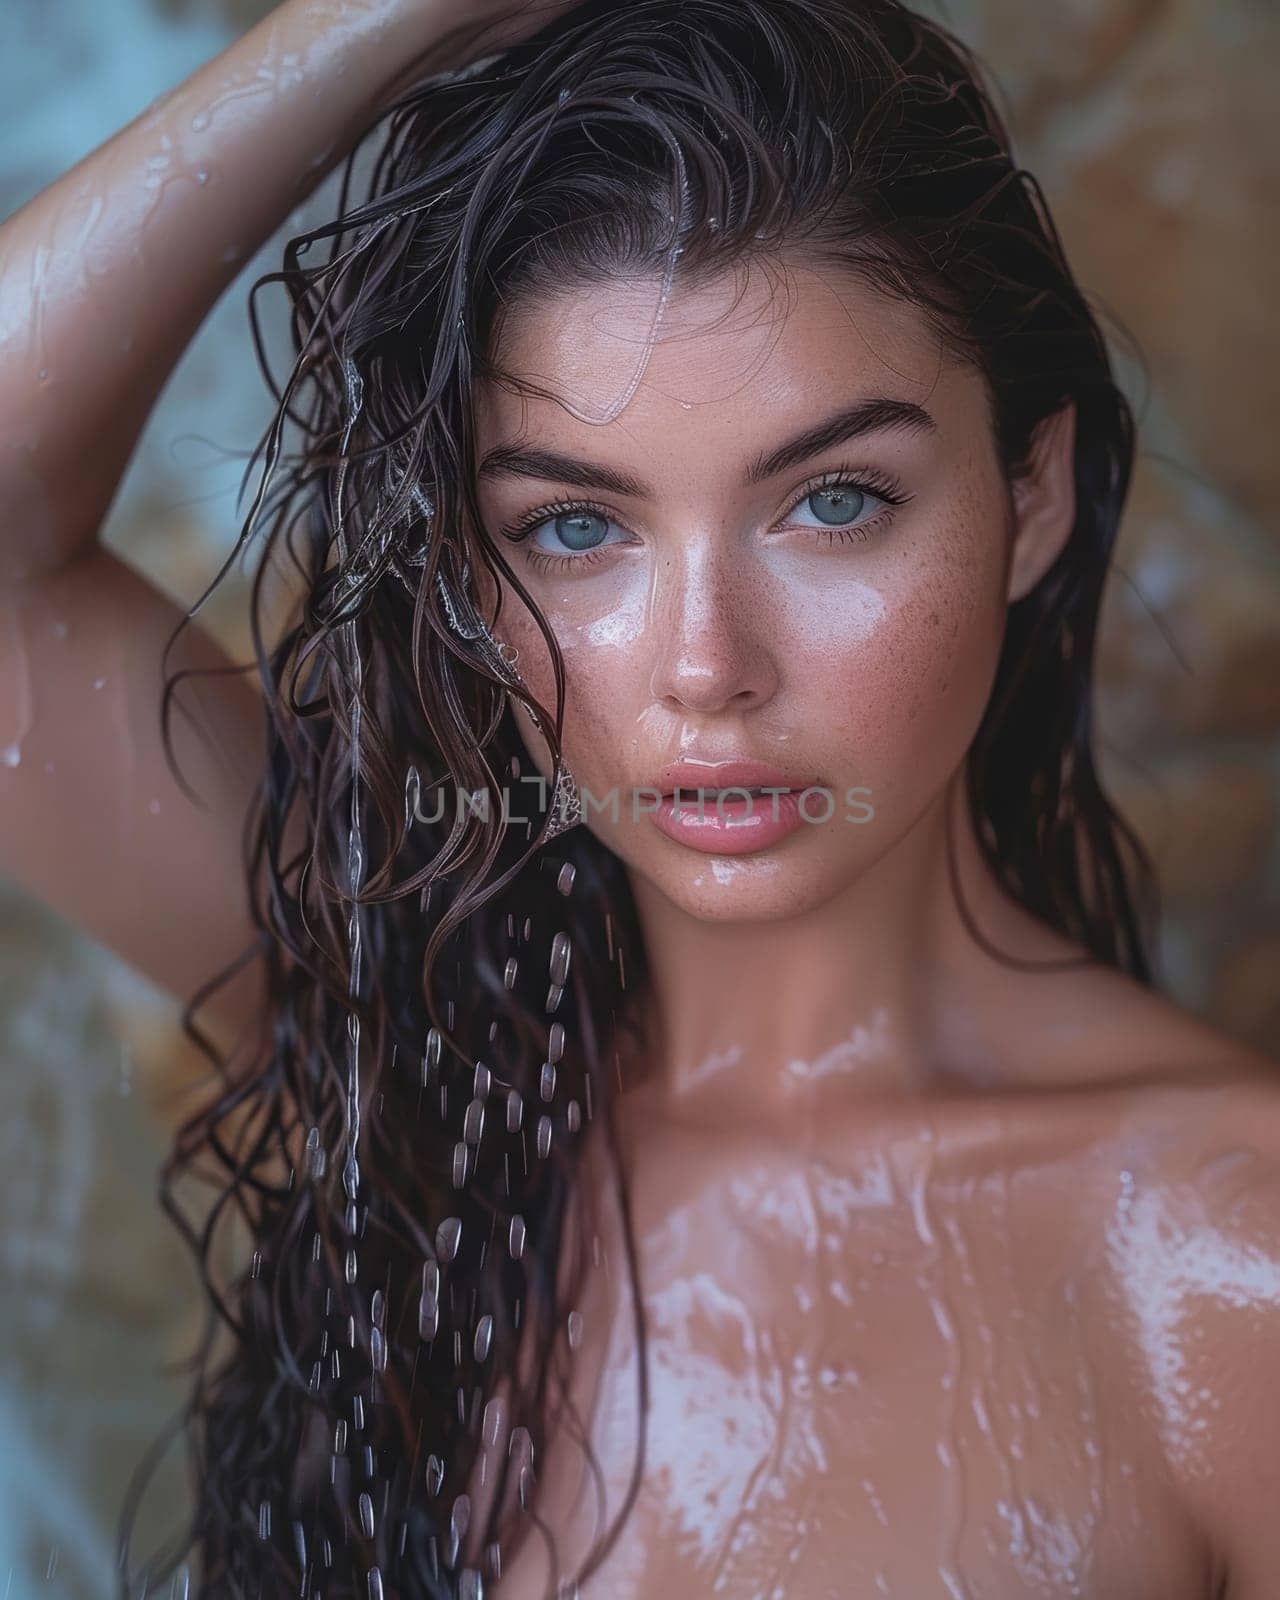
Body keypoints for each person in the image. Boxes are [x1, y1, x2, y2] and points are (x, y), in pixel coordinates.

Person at [2, 0, 1277, 1594]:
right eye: (576, 530)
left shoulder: (1227, 1274)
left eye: (832, 502)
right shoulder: (418, 1039)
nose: (703, 668)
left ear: (1032, 496)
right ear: (470, 565)